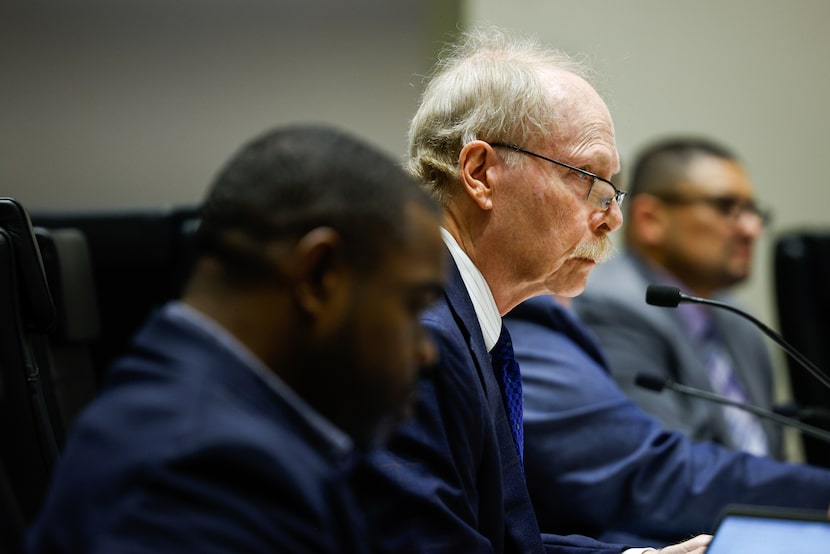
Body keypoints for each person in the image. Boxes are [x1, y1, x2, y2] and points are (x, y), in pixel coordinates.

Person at [354, 27, 710, 554]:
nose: (612, 217)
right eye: (586, 176)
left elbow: (485, 538)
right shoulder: (417, 338)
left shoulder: (457, 319)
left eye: (613, 186)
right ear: (479, 173)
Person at [25, 124, 447, 553]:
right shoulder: (196, 479)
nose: (426, 352)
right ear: (319, 276)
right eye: (414, 307)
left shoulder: (193, 409)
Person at [505, 293, 830, 547]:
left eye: (614, 201)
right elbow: (648, 472)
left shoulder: (734, 316)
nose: (611, 219)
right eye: (600, 201)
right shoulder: (524, 330)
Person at [573, 137, 780, 458]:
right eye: (727, 207)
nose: (751, 228)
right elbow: (668, 464)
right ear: (650, 220)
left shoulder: (740, 322)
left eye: (753, 211)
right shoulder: (611, 306)